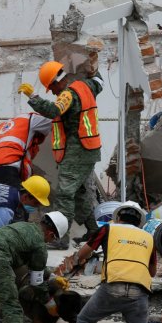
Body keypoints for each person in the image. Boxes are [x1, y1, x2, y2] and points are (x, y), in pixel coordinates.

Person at [21, 60, 104, 249]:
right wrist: (93, 68)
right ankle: (94, 232)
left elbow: (53, 110)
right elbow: (99, 81)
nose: (53, 92)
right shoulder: (86, 86)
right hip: (88, 150)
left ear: (58, 80)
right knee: (80, 194)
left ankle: (60, 238)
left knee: (65, 195)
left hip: (77, 152)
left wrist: (33, 96)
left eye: (51, 87)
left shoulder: (68, 94)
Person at [68, 201, 154, 323]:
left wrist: (79, 260)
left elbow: (84, 253)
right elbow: (152, 271)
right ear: (139, 222)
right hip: (139, 292)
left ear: (119, 217)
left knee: (84, 320)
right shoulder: (149, 237)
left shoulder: (108, 228)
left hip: (113, 287)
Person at [0, 112, 52, 187]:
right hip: (9, 166)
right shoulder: (33, 119)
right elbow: (55, 121)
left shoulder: (4, 125)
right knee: (15, 197)